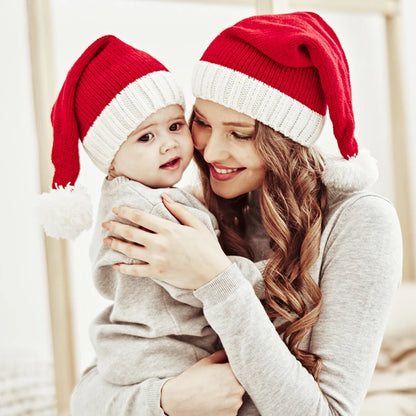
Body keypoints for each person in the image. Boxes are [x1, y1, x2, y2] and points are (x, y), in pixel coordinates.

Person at [70, 12, 403, 416]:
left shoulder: (359, 222)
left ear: (286, 140)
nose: (209, 153)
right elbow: (88, 394)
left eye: (240, 134)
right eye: (202, 123)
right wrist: (166, 400)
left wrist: (217, 280)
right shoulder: (194, 207)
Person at [38, 35, 262, 414]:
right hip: (163, 353)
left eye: (175, 126)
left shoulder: (151, 193)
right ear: (111, 160)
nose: (168, 145)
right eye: (146, 136)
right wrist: (269, 277)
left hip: (145, 349)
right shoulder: (146, 209)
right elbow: (200, 279)